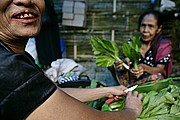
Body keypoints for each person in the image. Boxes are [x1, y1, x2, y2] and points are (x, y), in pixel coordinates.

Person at [0, 0, 143, 120]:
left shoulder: (17, 56)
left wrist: (106, 90)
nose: (26, 1)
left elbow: (50, 96)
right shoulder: (6, 66)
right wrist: (132, 111)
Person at [113, 10, 173, 86]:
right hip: (131, 80)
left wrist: (144, 68)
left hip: (150, 81)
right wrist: (123, 64)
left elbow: (160, 69)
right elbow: (127, 60)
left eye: (151, 26)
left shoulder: (163, 45)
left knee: (157, 77)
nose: (145, 30)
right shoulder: (133, 42)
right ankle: (124, 88)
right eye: (143, 25)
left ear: (159, 29)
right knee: (112, 64)